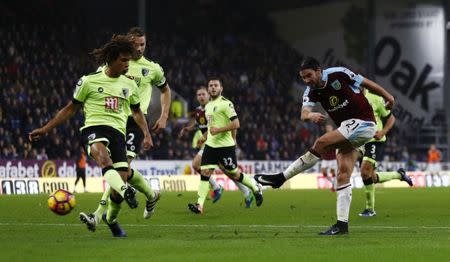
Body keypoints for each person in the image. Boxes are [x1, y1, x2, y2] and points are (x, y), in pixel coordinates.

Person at [255, 57, 395, 235]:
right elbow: (304, 113)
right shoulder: (311, 91)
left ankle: (281, 177)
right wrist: (310, 116)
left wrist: (388, 96)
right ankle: (341, 225)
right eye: (303, 78)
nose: (307, 80)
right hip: (348, 129)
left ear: (319, 71)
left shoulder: (339, 73)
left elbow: (367, 82)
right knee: (342, 174)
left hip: (364, 123)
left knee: (321, 143)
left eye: (309, 76)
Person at [29, 35, 152, 237]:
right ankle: (126, 190)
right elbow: (69, 109)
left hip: (118, 133)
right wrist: (45, 128)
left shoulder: (130, 85)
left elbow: (137, 112)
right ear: (111, 59)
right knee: (103, 157)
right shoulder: (89, 81)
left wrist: (146, 134)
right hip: (94, 128)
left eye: (129, 60)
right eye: (123, 60)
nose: (127, 64)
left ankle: (111, 219)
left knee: (116, 190)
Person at [79, 27, 171, 233]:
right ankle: (151, 195)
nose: (139, 48)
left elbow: (166, 90)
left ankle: (97, 215)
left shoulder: (152, 68)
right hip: (112, 121)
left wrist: (164, 115)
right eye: (136, 44)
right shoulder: (115, 63)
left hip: (135, 122)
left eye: (143, 44)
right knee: (124, 172)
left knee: (119, 170)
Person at [187, 78, 263, 214]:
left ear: (221, 88)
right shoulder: (208, 106)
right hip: (210, 146)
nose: (213, 88)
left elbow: (236, 124)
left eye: (216, 85)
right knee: (205, 173)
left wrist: (222, 132)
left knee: (234, 173)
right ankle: (199, 205)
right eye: (210, 86)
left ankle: (255, 188)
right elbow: (211, 127)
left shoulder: (226, 104)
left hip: (225, 147)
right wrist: (204, 137)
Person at [358, 88, 413, 217]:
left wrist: (383, 132)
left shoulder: (376, 99)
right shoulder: (351, 100)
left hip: (374, 140)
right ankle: (399, 175)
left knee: (364, 172)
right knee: (371, 177)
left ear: (363, 85)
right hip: (359, 142)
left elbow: (391, 118)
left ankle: (369, 209)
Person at [320, 124, 337, 192]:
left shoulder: (335, 136)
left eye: (329, 127)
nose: (328, 128)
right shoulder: (324, 137)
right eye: (327, 127)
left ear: (332, 128)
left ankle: (334, 186)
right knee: (324, 173)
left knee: (333, 173)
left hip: (333, 158)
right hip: (325, 158)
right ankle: (333, 183)